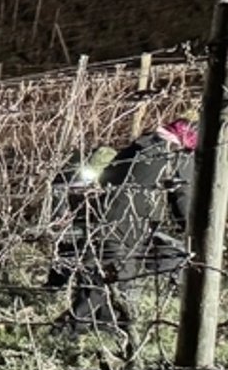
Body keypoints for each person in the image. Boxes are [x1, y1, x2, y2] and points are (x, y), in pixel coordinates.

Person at [58, 119, 197, 336]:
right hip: (129, 225)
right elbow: (183, 200)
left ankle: (107, 326)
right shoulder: (177, 155)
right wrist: (195, 233)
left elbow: (107, 177)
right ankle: (67, 329)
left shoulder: (140, 145)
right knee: (110, 279)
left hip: (102, 216)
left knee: (108, 275)